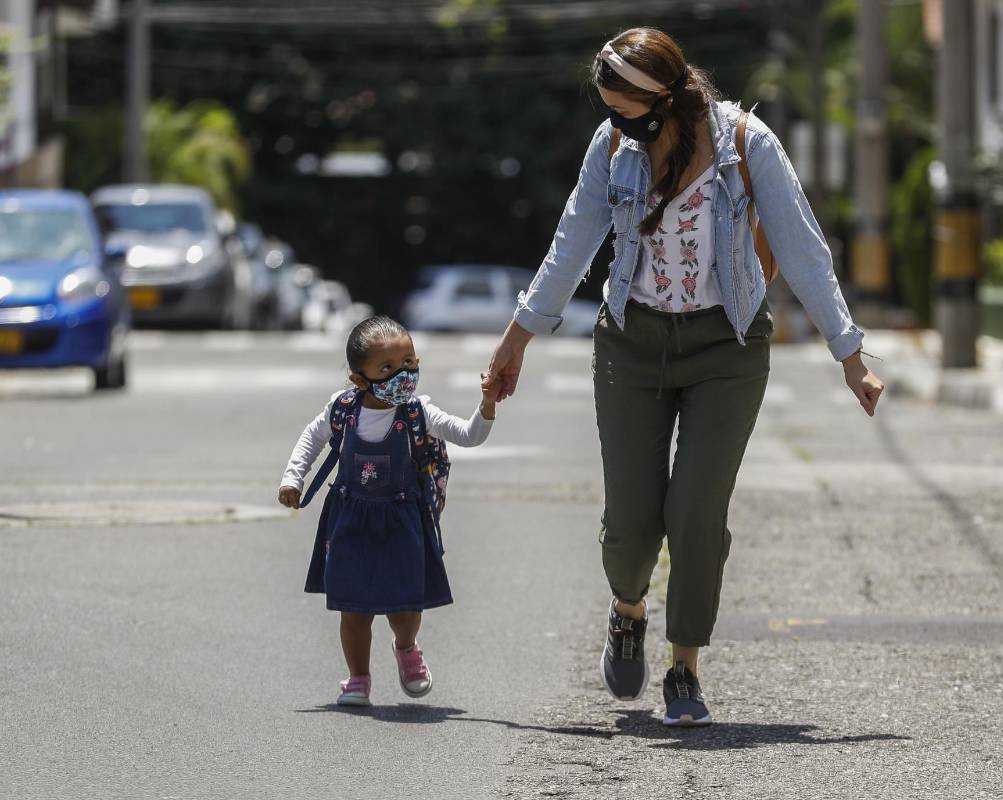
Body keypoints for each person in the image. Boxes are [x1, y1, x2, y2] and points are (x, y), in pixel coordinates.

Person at [484, 28, 884, 727]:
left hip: (726, 346)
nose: (618, 125)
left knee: (697, 515)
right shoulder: (613, 148)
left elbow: (801, 246)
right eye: (608, 111)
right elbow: (572, 241)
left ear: (664, 99)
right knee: (630, 526)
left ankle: (684, 669)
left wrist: (850, 354)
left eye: (627, 112)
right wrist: (517, 337)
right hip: (631, 343)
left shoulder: (747, 144)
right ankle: (628, 608)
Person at [279, 316, 497, 706]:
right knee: (354, 610)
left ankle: (407, 646)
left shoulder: (419, 413)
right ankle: (357, 678)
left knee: (404, 604)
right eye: (388, 368)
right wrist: (292, 479)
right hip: (350, 519)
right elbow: (312, 437)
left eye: (410, 363)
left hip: (402, 520)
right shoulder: (343, 409)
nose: (404, 375)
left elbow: (468, 435)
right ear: (359, 379)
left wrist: (487, 405)